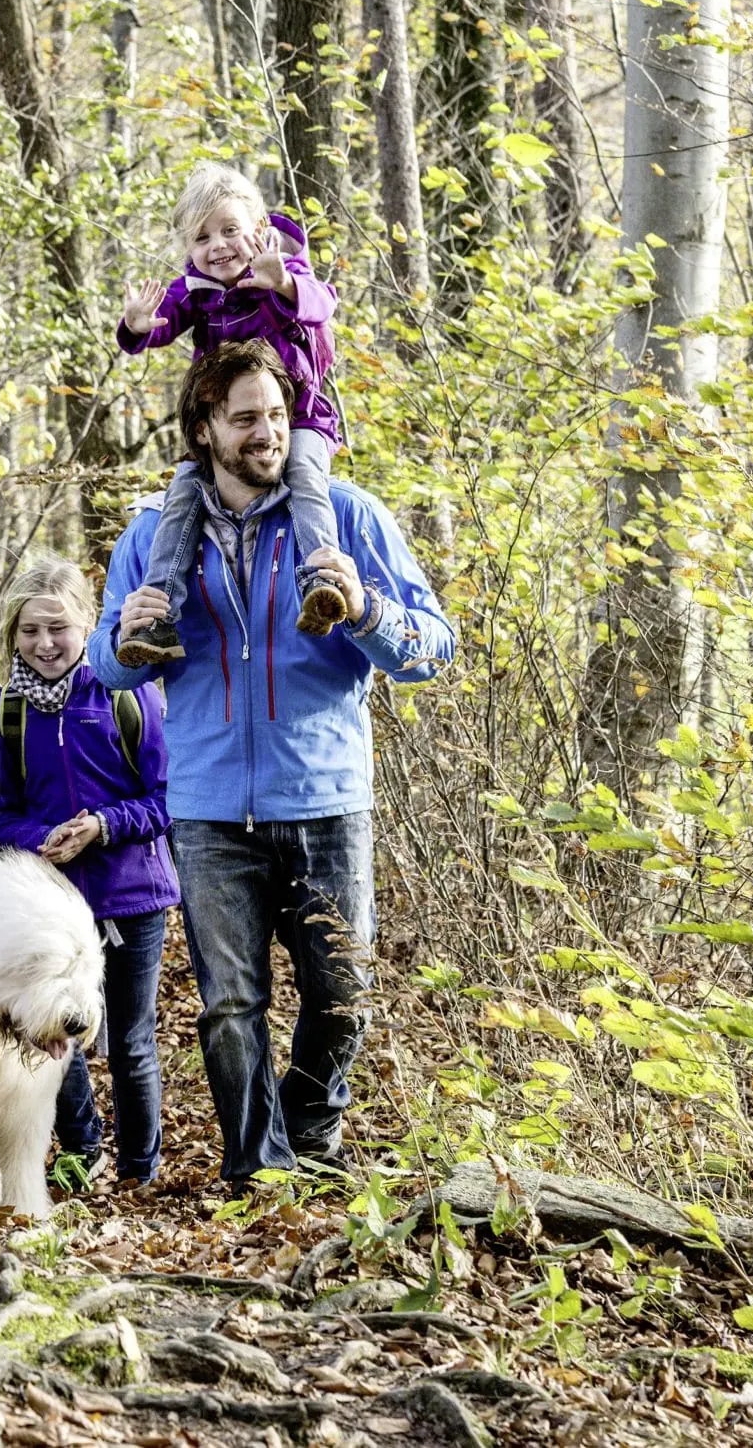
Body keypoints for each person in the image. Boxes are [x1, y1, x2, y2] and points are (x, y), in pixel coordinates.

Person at [86, 342, 454, 1187]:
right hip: (210, 809)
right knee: (230, 1007)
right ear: (205, 428)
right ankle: (258, 1174)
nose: (267, 434)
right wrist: (123, 635)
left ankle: (307, 1137)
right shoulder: (153, 537)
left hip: (324, 799)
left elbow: (433, 647)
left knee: (342, 997)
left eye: (278, 417)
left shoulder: (348, 517)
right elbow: (108, 668)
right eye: (245, 418)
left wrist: (364, 611)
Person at [0, 558, 178, 1189]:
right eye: (31, 631)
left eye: (59, 628)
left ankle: (140, 1171)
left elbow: (170, 797)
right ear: (13, 634)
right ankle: (82, 1150)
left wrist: (104, 825)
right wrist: (42, 839)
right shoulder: (6, 712)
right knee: (57, 1040)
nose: (45, 644)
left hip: (133, 896)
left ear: (89, 626)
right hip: (50, 907)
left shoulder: (126, 693)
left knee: (132, 1041)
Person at [113, 163, 347, 666]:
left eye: (229, 230)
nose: (217, 245)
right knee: (181, 495)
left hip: (298, 417)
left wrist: (282, 283)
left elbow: (322, 305)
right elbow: (160, 324)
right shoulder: (195, 289)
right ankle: (158, 617)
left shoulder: (281, 270)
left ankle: (322, 580)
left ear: (258, 229)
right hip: (224, 431)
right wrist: (135, 327)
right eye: (202, 237)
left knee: (306, 477)